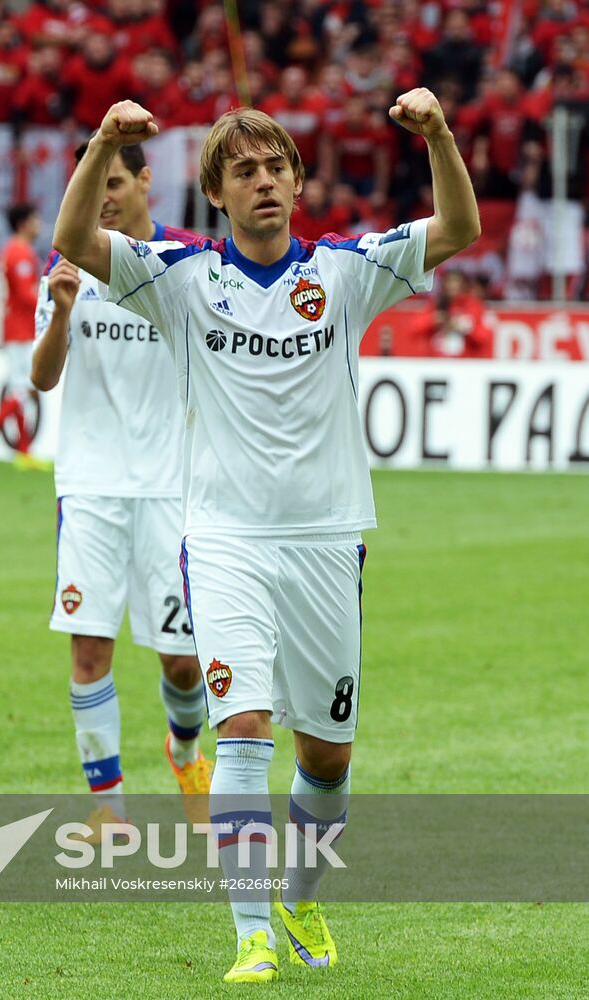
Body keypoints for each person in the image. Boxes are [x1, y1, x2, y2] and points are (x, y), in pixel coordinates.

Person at [53, 91, 478, 982]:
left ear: (296, 180)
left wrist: (437, 133)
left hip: (327, 540)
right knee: (242, 725)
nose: (265, 182)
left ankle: (300, 898)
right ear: (216, 192)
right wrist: (100, 143)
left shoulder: (348, 270)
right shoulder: (179, 279)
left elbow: (459, 227)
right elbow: (76, 242)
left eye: (277, 167)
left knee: (327, 757)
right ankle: (250, 931)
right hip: (224, 543)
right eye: (244, 171)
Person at [30, 141, 210, 834]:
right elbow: (44, 379)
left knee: (184, 660)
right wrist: (60, 313)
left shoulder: (190, 260)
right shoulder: (68, 265)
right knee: (88, 649)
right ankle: (108, 805)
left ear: (144, 180)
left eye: (111, 182)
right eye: (88, 184)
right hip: (92, 485)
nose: (101, 197)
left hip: (174, 487)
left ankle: (186, 750)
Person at [0, 203, 47, 470]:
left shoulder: (13, 251)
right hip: (20, 330)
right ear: (24, 223)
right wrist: (53, 297)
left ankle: (24, 452)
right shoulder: (19, 253)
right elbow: (27, 296)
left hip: (16, 328)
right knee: (21, 390)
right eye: (36, 219)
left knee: (21, 390)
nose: (40, 224)